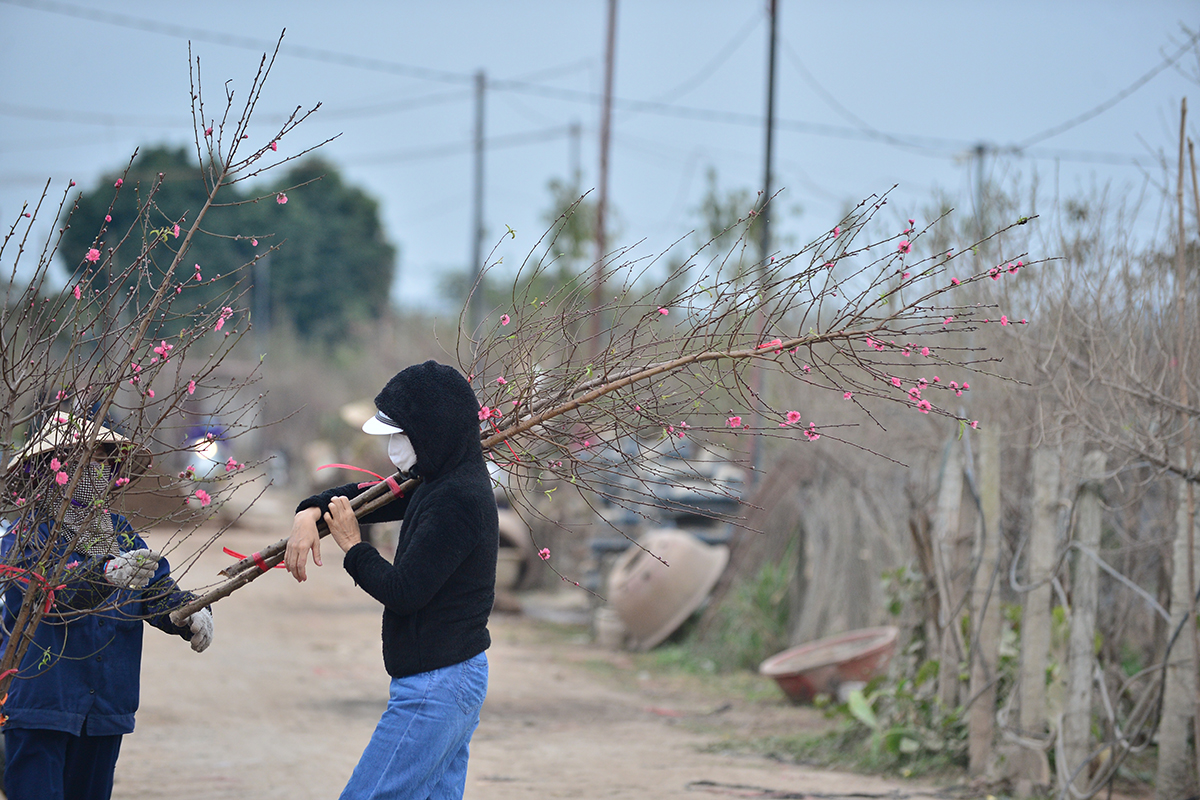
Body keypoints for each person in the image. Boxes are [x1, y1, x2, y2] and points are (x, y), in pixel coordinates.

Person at [285, 360, 498, 799]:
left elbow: (404, 593)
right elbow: (367, 499)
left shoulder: (457, 499)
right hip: (448, 677)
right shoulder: (437, 478)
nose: (394, 449)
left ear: (429, 432)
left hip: (437, 685)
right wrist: (310, 510)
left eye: (399, 436)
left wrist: (353, 546)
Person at [0, 416, 213, 800]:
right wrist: (104, 577)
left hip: (103, 708)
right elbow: (50, 598)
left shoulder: (120, 532)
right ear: (54, 471)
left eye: (103, 463)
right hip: (43, 705)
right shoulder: (27, 539)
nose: (96, 472)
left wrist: (188, 612)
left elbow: (157, 588)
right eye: (83, 463)